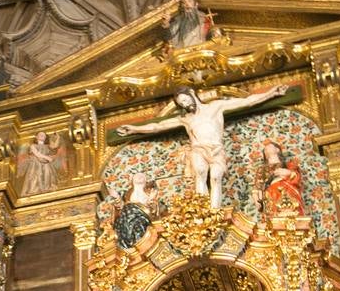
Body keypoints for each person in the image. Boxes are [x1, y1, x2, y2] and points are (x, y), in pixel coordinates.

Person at [116, 84, 289, 210]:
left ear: (192, 94)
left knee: (215, 177)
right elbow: (157, 126)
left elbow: (247, 101)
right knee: (199, 172)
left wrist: (271, 93)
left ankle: (214, 211)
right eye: (181, 104)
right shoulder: (186, 119)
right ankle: (203, 211)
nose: (185, 104)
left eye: (185, 100)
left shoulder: (215, 107)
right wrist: (134, 129)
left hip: (216, 149)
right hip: (198, 149)